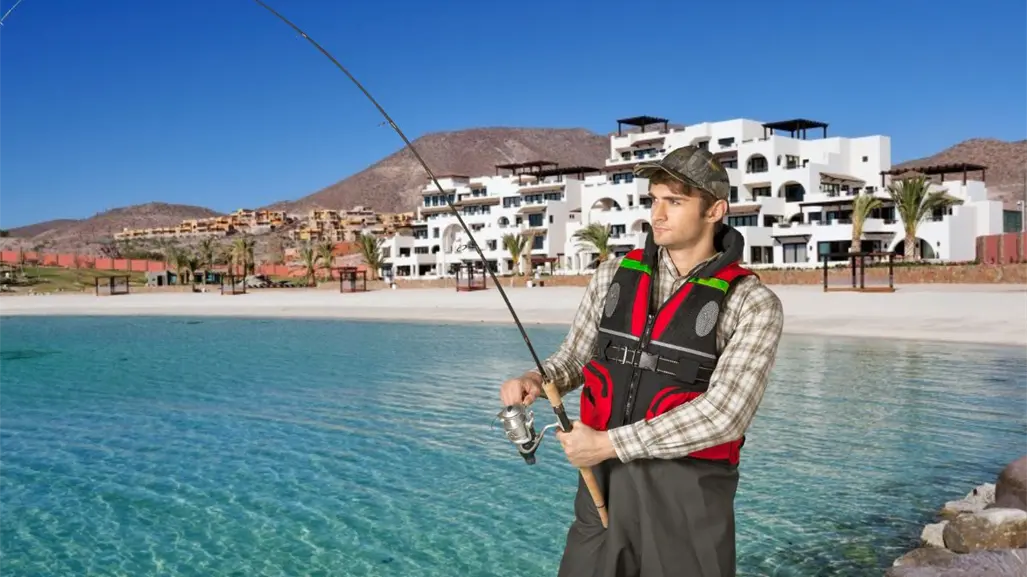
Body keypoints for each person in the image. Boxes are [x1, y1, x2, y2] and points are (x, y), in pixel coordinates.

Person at [498, 145, 785, 577]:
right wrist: (537, 379)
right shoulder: (611, 276)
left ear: (715, 211)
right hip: (603, 486)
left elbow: (726, 415)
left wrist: (608, 444)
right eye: (654, 199)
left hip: (688, 496)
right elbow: (576, 357)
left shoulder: (752, 303)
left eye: (675, 201)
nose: (658, 214)